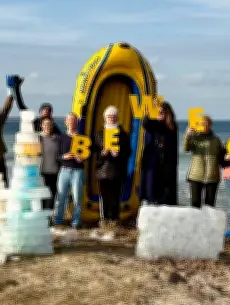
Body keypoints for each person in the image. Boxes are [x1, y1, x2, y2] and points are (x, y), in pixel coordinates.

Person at [94, 106, 131, 238]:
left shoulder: (123, 134)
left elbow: (128, 152)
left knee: (116, 197)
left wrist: (118, 154)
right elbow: (95, 155)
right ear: (105, 118)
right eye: (109, 116)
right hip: (103, 171)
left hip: (117, 170)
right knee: (104, 198)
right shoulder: (99, 134)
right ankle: (105, 221)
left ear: (117, 118)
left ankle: (114, 221)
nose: (111, 118)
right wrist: (103, 154)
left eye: (114, 116)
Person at [139, 101, 179, 206]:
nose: (160, 113)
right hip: (152, 162)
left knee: (165, 191)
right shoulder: (152, 123)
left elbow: (173, 148)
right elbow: (145, 123)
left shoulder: (171, 126)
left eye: (162, 111)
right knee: (150, 188)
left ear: (167, 113)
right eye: (158, 111)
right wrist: (151, 109)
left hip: (166, 164)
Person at [52, 113, 87, 230]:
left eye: (74, 120)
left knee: (77, 198)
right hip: (64, 171)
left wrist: (83, 158)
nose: (71, 122)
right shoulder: (61, 137)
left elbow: (88, 155)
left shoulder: (83, 138)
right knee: (61, 197)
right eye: (69, 120)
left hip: (78, 171)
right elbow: (56, 156)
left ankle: (76, 222)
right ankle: (58, 221)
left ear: (76, 122)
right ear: (66, 122)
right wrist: (64, 157)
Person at [183, 115, 224, 208]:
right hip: (195, 176)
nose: (204, 125)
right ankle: (195, 222)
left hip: (212, 177)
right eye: (202, 123)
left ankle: (208, 222)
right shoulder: (194, 137)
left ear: (210, 125)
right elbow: (186, 148)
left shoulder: (216, 139)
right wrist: (187, 135)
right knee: (195, 203)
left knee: (210, 205)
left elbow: (221, 157)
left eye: (207, 123)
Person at [39, 117, 60, 210]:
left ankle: (48, 219)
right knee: (41, 198)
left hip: (54, 173)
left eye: (50, 124)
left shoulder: (57, 138)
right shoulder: (37, 138)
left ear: (52, 126)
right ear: (41, 125)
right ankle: (41, 219)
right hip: (40, 174)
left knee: (51, 197)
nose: (48, 126)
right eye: (46, 124)